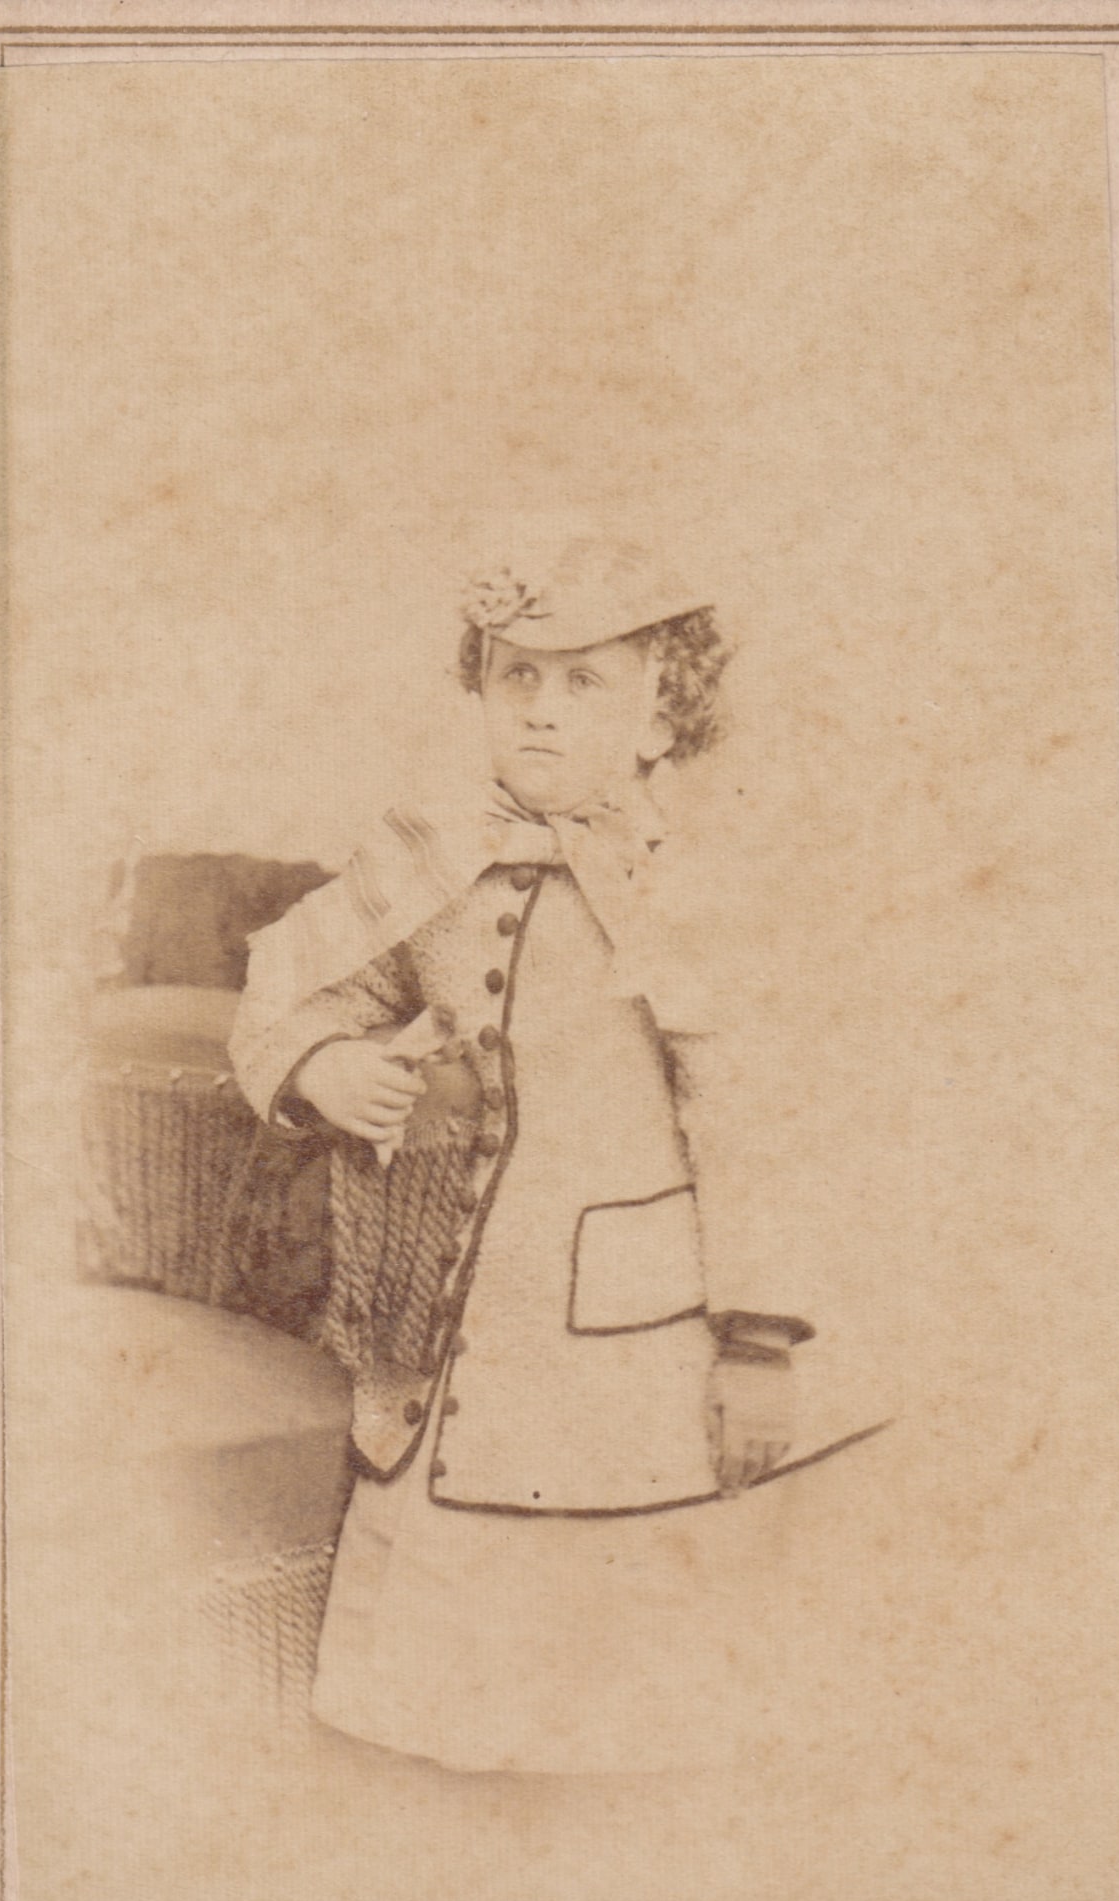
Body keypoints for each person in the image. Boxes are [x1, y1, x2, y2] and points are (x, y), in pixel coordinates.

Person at [229, 534, 883, 1774]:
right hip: (457, 1325)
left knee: (620, 1702)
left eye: (583, 681)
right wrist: (321, 1063)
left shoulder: (692, 883)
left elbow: (758, 1117)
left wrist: (756, 1340)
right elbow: (294, 986)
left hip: (633, 1343)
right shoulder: (432, 852)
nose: (538, 709)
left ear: (660, 714)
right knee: (431, 1704)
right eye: (514, 675)